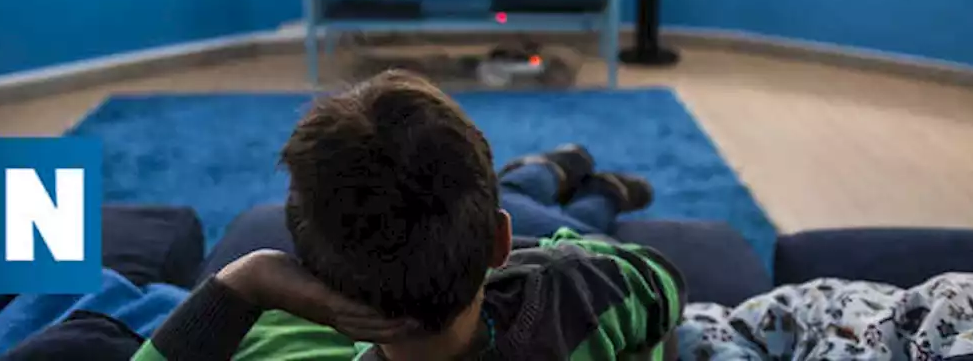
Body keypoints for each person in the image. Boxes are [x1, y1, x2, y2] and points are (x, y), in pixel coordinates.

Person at [134, 70, 685, 360]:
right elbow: (661, 281)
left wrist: (248, 278)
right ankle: (585, 186)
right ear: (499, 244)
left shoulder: (267, 330)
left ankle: (561, 176)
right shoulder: (578, 289)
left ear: (313, 278)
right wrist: (551, 255)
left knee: (517, 194)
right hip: (548, 245)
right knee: (526, 205)